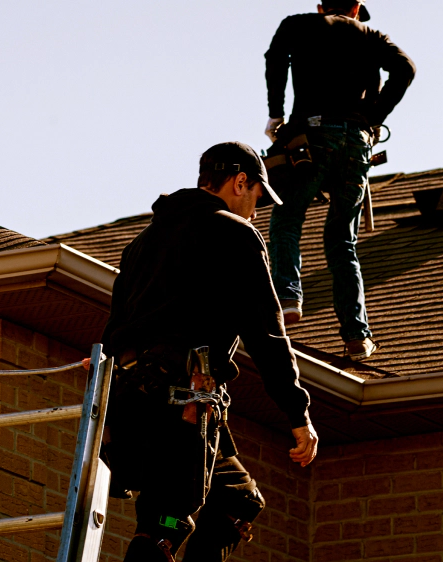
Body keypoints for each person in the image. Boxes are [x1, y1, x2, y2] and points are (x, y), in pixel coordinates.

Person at [101, 141, 318, 562]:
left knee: (235, 502)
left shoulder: (141, 244)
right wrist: (297, 414)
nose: (257, 210)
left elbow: (112, 332)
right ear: (241, 182)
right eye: (257, 196)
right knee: (167, 522)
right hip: (181, 405)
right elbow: (267, 335)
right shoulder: (234, 234)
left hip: (133, 404)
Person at [264, 0, 416, 361]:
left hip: (312, 137)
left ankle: (287, 298)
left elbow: (275, 57)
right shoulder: (372, 37)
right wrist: (373, 115)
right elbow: (406, 69)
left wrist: (276, 112)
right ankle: (357, 336)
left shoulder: (299, 24)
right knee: (342, 240)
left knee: (287, 216)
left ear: (322, 7)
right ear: (355, 10)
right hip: (356, 143)